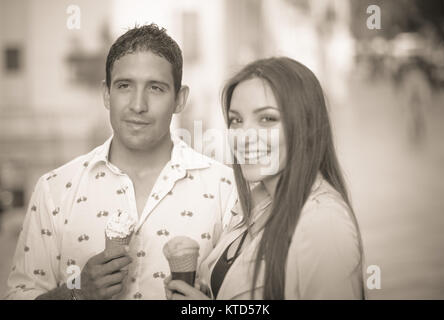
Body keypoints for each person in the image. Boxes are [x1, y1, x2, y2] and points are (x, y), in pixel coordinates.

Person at [5, 24, 236, 300]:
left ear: (180, 99)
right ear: (106, 94)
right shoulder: (55, 190)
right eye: (124, 86)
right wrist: (76, 291)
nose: (138, 105)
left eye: (156, 88)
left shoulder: (227, 190)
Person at [165, 57, 365, 299]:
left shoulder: (324, 222)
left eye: (267, 119)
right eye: (236, 120)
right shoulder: (254, 202)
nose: (244, 136)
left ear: (305, 124)